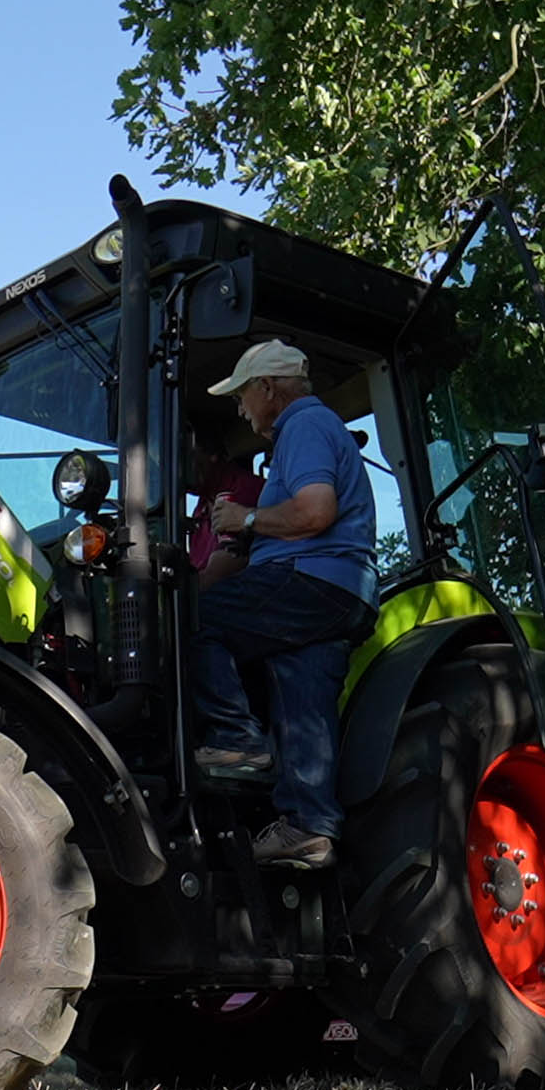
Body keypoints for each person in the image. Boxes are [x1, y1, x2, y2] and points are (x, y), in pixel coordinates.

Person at [192, 339, 378, 872]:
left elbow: (316, 512)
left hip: (313, 579)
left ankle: (236, 742)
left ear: (268, 388)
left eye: (242, 396)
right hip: (341, 592)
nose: (240, 408)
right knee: (303, 704)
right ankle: (308, 827)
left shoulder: (304, 426)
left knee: (197, 620)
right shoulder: (314, 431)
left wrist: (245, 521)